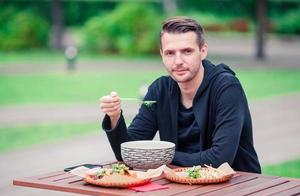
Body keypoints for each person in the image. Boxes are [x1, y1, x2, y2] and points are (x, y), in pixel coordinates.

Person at [100, 16, 261, 173]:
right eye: (170, 53)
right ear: (162, 55)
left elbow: (220, 159)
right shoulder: (159, 89)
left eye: (187, 51)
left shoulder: (227, 88)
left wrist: (162, 156)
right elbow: (129, 153)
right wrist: (114, 117)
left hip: (239, 186)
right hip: (181, 184)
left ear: (203, 51)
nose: (178, 61)